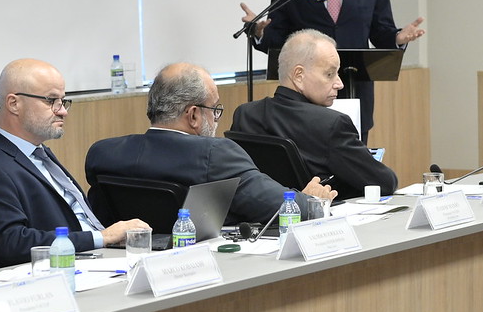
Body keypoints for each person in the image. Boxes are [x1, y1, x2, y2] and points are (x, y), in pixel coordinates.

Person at [241, 0, 425, 143]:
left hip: (354, 89)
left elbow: (381, 32)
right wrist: (258, 32)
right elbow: (279, 41)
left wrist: (397, 38)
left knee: (355, 167)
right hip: (305, 96)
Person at [85, 62, 337, 226]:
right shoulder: (215, 154)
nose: (217, 118)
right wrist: (310, 200)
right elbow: (283, 209)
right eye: (214, 109)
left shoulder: (104, 153)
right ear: (193, 115)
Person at [0, 59, 148, 266]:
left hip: (102, 259)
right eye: (51, 101)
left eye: (63, 101)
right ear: (14, 104)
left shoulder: (41, 155)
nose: (63, 111)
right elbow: (12, 243)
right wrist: (102, 237)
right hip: (64, 271)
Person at [230, 29, 398, 200]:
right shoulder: (332, 124)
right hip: (315, 220)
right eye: (329, 74)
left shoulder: (244, 115)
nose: (339, 84)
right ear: (299, 75)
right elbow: (385, 182)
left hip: (260, 218)